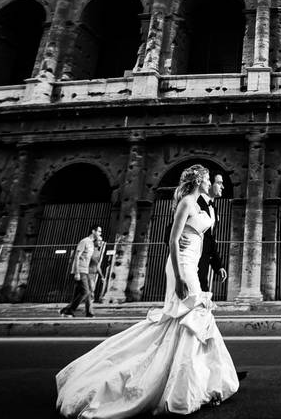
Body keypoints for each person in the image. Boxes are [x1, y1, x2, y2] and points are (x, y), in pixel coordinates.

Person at [56, 164, 239, 417]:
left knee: (184, 321)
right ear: (198, 181)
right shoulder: (186, 202)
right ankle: (184, 387)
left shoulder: (202, 205)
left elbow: (205, 238)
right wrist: (179, 275)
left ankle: (194, 380)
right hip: (182, 265)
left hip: (193, 263)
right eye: (208, 179)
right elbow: (173, 240)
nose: (211, 183)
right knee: (193, 316)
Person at [60, 225, 103, 318]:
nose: (100, 233)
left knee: (80, 292)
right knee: (86, 292)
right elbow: (77, 256)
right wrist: (77, 272)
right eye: (99, 231)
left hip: (86, 271)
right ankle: (69, 311)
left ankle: (67, 310)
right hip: (80, 270)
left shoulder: (91, 244)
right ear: (93, 231)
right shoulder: (84, 241)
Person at [198, 173, 227, 291]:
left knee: (201, 293)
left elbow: (210, 239)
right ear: (209, 184)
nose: (223, 187)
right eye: (219, 183)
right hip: (191, 258)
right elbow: (172, 229)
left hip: (203, 259)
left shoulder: (214, 209)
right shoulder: (194, 202)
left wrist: (218, 265)